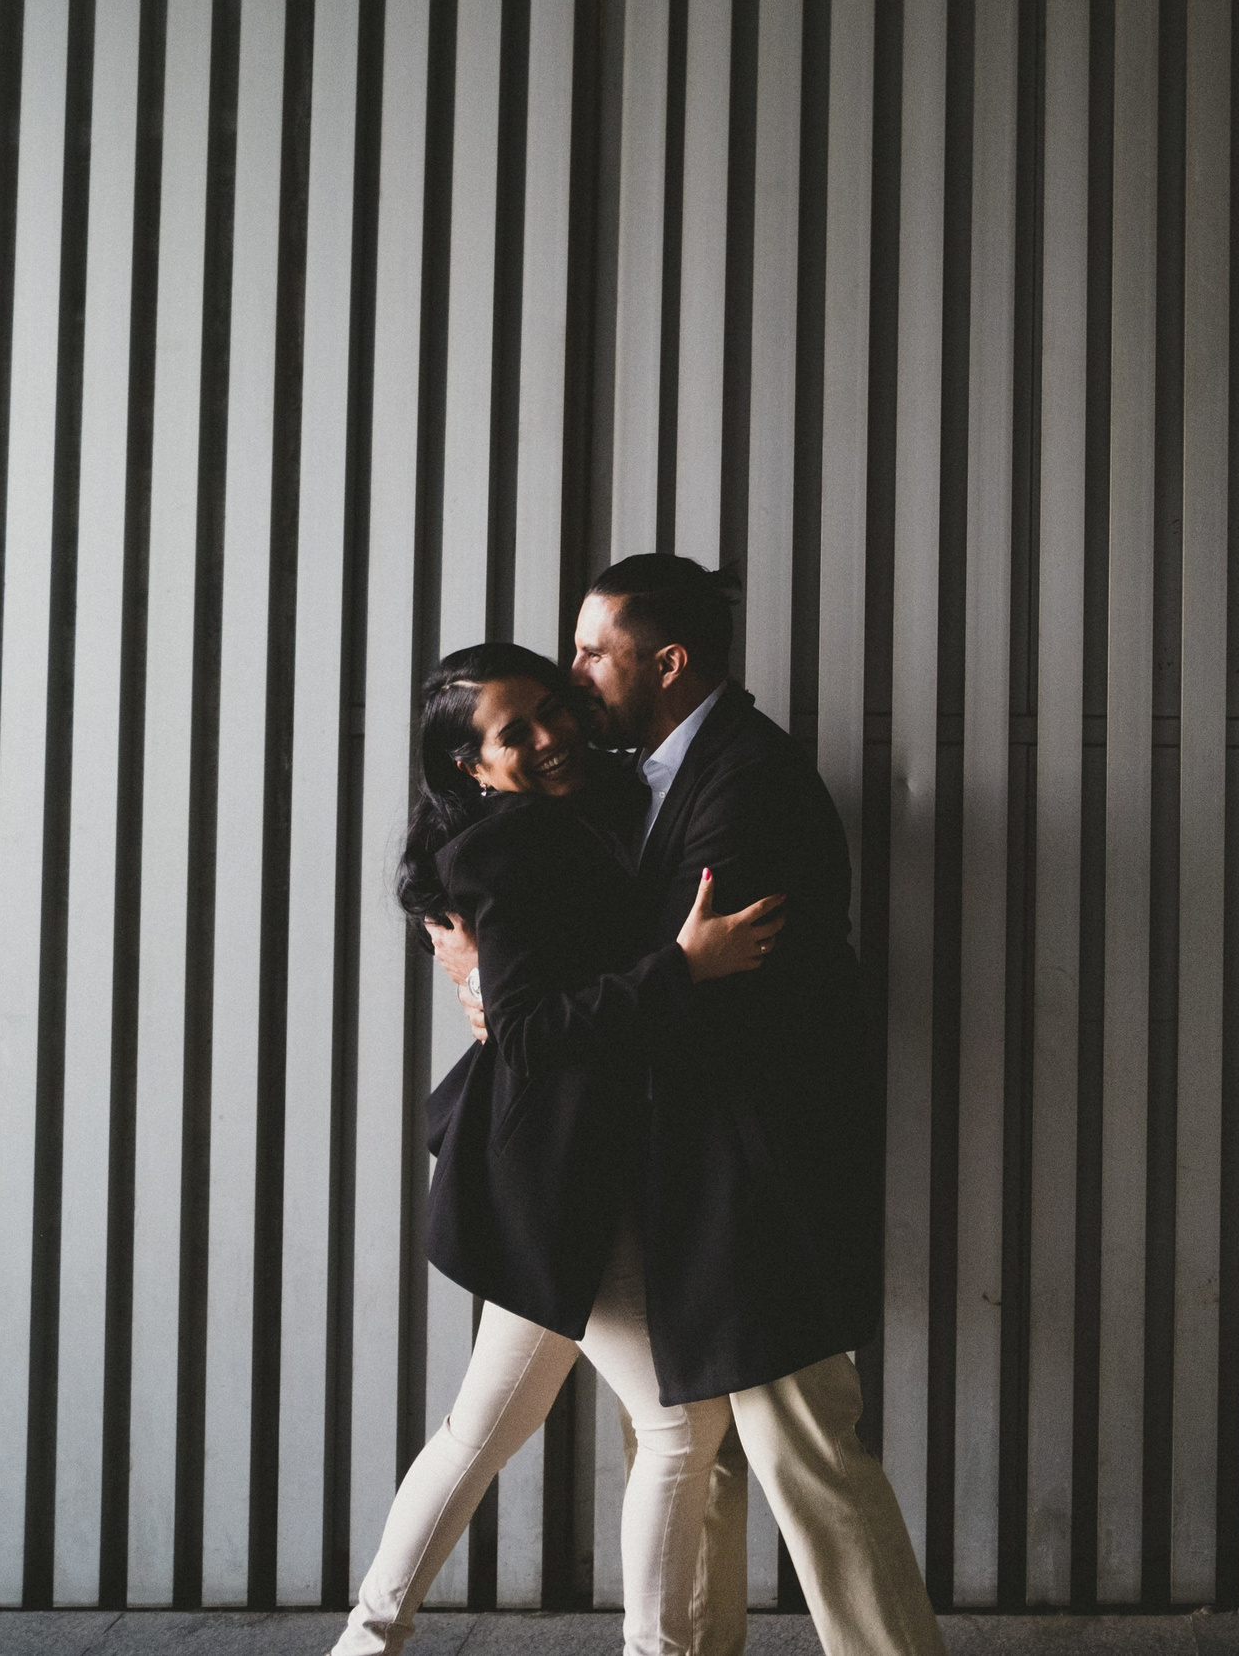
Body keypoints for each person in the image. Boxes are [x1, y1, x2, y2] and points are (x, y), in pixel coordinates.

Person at [444, 556, 943, 1656]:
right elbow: (561, 914)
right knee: (701, 1452)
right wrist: (477, 956)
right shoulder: (642, 777)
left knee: (806, 1449)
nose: (570, 672)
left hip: (756, 1175)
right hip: (689, 1173)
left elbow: (683, 980)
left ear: (665, 663)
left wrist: (539, 997)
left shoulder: (746, 779)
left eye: (590, 651)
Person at [332, 643, 787, 1656]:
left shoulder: (593, 805)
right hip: (555, 1176)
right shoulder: (507, 849)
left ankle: (365, 1641)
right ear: (471, 765)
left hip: (579, 1171)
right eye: (513, 732)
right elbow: (531, 1033)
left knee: (482, 1429)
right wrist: (682, 966)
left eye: (552, 707)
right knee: (676, 1426)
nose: (550, 735)